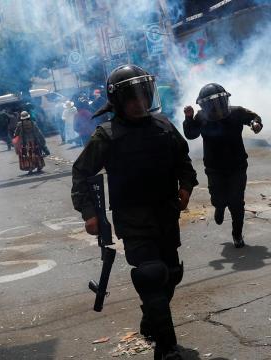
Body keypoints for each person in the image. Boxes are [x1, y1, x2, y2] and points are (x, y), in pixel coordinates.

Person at [72, 65, 198, 360]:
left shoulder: (163, 125)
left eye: (144, 95)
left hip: (165, 213)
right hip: (133, 217)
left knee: (172, 273)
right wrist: (89, 213)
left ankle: (152, 318)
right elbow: (82, 173)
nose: (140, 103)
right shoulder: (106, 135)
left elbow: (183, 160)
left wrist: (186, 187)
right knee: (151, 274)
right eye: (133, 98)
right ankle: (167, 349)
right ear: (118, 102)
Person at [183, 83, 263, 248]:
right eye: (212, 106)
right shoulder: (201, 118)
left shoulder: (237, 112)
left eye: (219, 103)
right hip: (214, 168)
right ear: (205, 106)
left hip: (237, 166)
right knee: (218, 198)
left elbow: (254, 117)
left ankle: (237, 234)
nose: (216, 109)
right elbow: (191, 135)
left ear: (225, 100)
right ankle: (219, 207)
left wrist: (256, 124)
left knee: (237, 201)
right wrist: (188, 118)